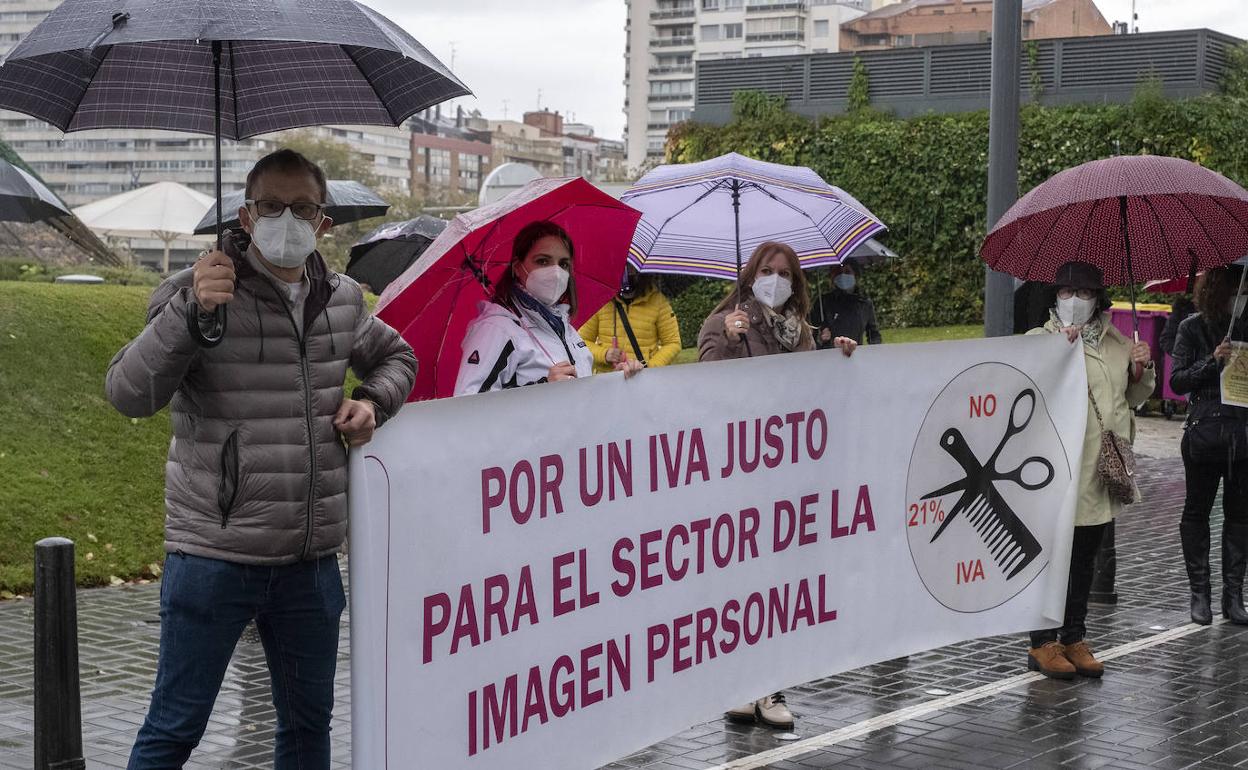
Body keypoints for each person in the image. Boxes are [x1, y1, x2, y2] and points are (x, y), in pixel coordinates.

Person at [106, 149, 418, 769]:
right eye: (271, 206)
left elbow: (398, 359)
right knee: (175, 728)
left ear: (322, 221)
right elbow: (128, 394)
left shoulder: (343, 299)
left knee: (308, 730)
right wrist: (192, 314)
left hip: (310, 562)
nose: (286, 219)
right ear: (246, 216)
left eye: (302, 208)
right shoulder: (196, 291)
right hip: (215, 555)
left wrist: (372, 405)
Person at [698, 241, 856, 729]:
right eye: (767, 271)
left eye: (785, 273)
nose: (776, 280)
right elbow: (705, 383)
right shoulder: (722, 322)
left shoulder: (802, 333)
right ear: (750, 275)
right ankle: (739, 685)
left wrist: (840, 359)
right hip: (740, 475)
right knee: (742, 583)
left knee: (779, 586)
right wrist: (727, 338)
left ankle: (771, 688)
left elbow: (814, 393)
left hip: (788, 478)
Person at [1025, 261, 1153, 680]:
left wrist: (1140, 369)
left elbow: (1131, 398)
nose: (1074, 301)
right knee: (1050, 559)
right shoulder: (1037, 342)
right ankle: (1043, 641)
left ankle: (1074, 635)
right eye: (1065, 292)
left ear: (1099, 298)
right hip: (1052, 473)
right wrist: (1059, 353)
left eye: (1083, 293)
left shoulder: (1117, 343)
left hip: (1099, 471)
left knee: (1083, 559)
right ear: (1054, 296)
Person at [455, 220, 642, 394]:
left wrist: (616, 380)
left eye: (563, 264)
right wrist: (544, 388)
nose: (556, 272)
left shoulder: (565, 328)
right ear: (518, 267)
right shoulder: (496, 329)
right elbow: (470, 409)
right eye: (543, 261)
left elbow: (580, 399)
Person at [1170, 265, 1248, 626]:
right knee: (1196, 511)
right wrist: (1212, 361)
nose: (1240, 299)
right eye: (1235, 291)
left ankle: (1234, 596)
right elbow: (1178, 381)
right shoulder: (1192, 327)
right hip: (1204, 435)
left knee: (1240, 516)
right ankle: (1199, 593)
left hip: (1243, 437)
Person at [579, 265, 682, 372]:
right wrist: (604, 354)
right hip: (607, 380)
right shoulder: (600, 300)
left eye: (632, 267)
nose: (628, 272)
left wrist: (649, 367)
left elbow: (673, 343)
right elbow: (582, 343)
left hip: (643, 380)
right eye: (624, 266)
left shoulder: (658, 302)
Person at [810, 260, 882, 347]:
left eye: (847, 272)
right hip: (828, 357)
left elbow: (873, 335)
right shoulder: (822, 303)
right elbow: (811, 335)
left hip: (855, 356)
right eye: (838, 272)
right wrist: (820, 338)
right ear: (832, 277)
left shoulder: (864, 304)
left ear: (855, 275)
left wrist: (874, 353)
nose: (842, 275)